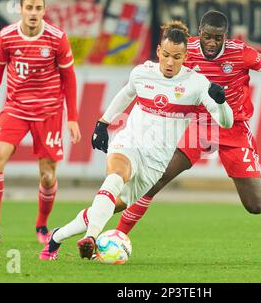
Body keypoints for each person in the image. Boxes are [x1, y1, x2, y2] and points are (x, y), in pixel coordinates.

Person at [114, 10, 261, 235]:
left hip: (233, 128)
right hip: (196, 125)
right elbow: (164, 72)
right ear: (200, 33)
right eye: (208, 36)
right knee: (153, 181)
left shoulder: (241, 53)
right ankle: (118, 236)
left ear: (226, 36)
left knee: (255, 205)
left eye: (218, 38)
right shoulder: (187, 51)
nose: (212, 43)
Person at [38, 21, 234, 260]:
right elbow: (127, 93)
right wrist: (103, 123)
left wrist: (221, 103)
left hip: (155, 163)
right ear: (159, 52)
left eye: (177, 57)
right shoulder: (142, 72)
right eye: (166, 55)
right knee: (115, 176)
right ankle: (91, 238)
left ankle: (56, 237)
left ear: (185, 56)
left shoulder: (197, 84)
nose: (170, 62)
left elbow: (226, 122)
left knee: (111, 205)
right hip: (130, 142)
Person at [0, 0, 81, 244]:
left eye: (38, 8)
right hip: (15, 108)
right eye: (28, 8)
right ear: (20, 9)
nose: (33, 13)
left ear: (44, 10)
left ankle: (42, 226)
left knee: (47, 176)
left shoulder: (56, 37)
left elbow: (69, 78)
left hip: (49, 111)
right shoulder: (7, 36)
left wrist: (71, 117)